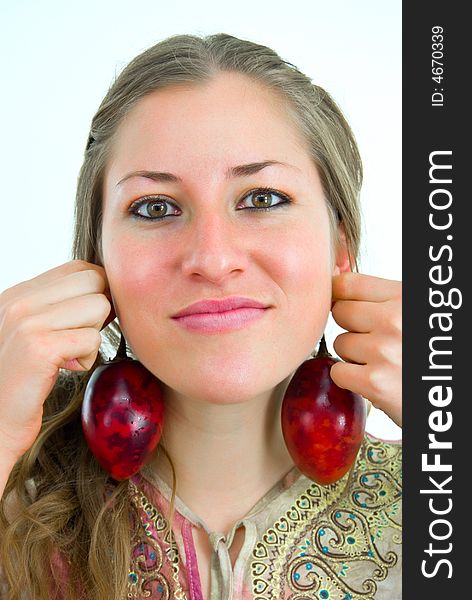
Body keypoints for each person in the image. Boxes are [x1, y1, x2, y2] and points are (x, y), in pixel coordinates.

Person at [0, 33, 402, 599]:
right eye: (156, 208)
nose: (212, 260)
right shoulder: (14, 509)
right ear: (98, 261)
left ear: (340, 244)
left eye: (262, 198)